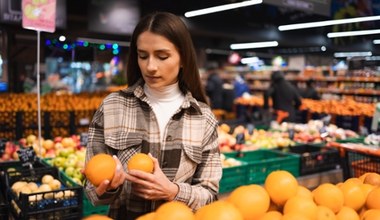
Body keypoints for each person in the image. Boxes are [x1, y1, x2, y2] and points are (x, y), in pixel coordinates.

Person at [84, 12, 222, 220]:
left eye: (162, 56)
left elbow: (210, 195)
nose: (150, 66)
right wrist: (108, 188)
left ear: (183, 58)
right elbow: (91, 192)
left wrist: (173, 192)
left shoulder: (203, 117)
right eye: (143, 55)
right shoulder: (113, 107)